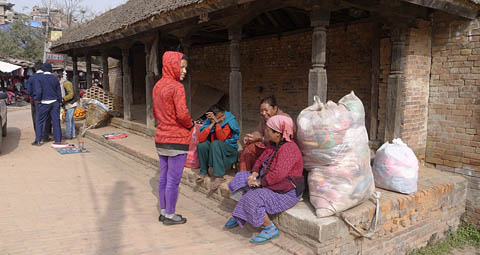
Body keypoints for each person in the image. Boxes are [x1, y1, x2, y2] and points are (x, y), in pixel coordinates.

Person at [225, 115, 304, 245]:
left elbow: (278, 174)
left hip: (285, 191)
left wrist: (259, 183)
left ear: (278, 133)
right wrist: (254, 174)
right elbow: (261, 159)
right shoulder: (274, 144)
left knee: (252, 197)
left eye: (269, 130)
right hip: (268, 182)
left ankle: (269, 228)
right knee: (239, 179)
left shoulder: (289, 149)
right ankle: (242, 213)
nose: (266, 132)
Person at [153, 51, 194, 225]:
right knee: (173, 180)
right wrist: (191, 125)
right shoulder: (177, 87)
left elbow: (155, 112)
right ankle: (170, 214)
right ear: (173, 66)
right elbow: (182, 114)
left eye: (185, 68)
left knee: (164, 176)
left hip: (161, 137)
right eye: (182, 67)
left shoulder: (157, 86)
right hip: (176, 139)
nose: (184, 71)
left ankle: (163, 211)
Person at [239, 96, 294, 172]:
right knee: (248, 148)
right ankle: (245, 175)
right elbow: (258, 131)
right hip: (268, 148)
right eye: (261, 110)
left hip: (280, 151)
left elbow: (282, 143)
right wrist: (251, 137)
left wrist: (261, 139)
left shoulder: (283, 119)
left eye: (266, 110)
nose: (263, 113)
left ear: (275, 108)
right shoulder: (265, 119)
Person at [196, 105, 240, 190]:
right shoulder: (210, 122)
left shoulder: (229, 121)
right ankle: (204, 172)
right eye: (219, 117)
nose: (222, 119)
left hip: (229, 151)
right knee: (201, 145)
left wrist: (217, 124)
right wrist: (212, 123)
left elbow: (221, 138)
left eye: (223, 115)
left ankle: (219, 176)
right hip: (215, 148)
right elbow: (200, 139)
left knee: (215, 143)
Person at [33, 62, 62, 146]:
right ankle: (58, 140)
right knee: (56, 121)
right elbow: (58, 92)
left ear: (43, 69)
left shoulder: (39, 78)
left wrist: (38, 100)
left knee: (39, 121)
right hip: (55, 102)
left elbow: (38, 91)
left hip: (44, 102)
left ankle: (38, 140)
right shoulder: (55, 78)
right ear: (51, 70)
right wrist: (60, 102)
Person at [26, 61, 43, 141]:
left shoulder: (32, 78)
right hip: (46, 100)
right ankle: (45, 134)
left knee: (36, 117)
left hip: (35, 100)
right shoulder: (46, 77)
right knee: (45, 117)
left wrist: (33, 97)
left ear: (35, 68)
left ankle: (38, 135)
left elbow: (28, 91)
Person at [61, 72, 77, 139]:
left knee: (68, 120)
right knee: (70, 120)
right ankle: (73, 134)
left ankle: (68, 134)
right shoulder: (63, 84)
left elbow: (71, 94)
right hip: (68, 104)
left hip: (71, 103)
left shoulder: (66, 83)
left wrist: (63, 99)